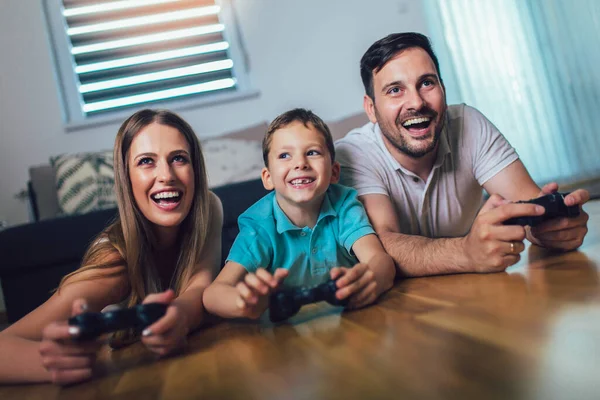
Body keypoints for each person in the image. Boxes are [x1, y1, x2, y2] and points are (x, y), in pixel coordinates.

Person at [336, 32, 590, 277]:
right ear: (371, 108)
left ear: (443, 90)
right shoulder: (352, 154)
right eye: (395, 90)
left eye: (426, 83)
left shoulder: (469, 123)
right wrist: (466, 253)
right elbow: (382, 244)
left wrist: (551, 228)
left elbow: (527, 204)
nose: (416, 102)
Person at [0, 109, 223, 385]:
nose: (166, 175)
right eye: (146, 162)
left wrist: (180, 316)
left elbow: (199, 286)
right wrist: (48, 362)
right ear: (126, 180)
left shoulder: (208, 208)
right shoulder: (115, 262)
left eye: (178, 158)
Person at [203, 108, 395, 319]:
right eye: (285, 155)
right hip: (285, 333)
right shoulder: (258, 225)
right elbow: (213, 295)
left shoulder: (344, 204)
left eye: (312, 152)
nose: (300, 163)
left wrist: (371, 280)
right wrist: (243, 302)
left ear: (334, 172)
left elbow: (380, 259)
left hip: (353, 320)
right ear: (267, 178)